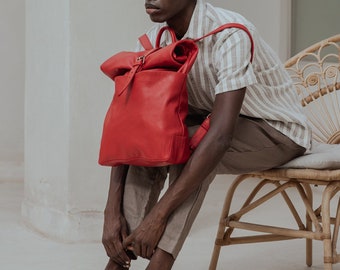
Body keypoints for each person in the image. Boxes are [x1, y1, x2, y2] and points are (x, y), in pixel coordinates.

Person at [102, 0, 312, 269]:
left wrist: (158, 216)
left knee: (195, 145)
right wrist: (111, 212)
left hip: (277, 131)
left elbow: (220, 137)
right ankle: (119, 259)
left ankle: (160, 261)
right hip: (211, 126)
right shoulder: (154, 41)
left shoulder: (230, 34)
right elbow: (131, 130)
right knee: (154, 141)